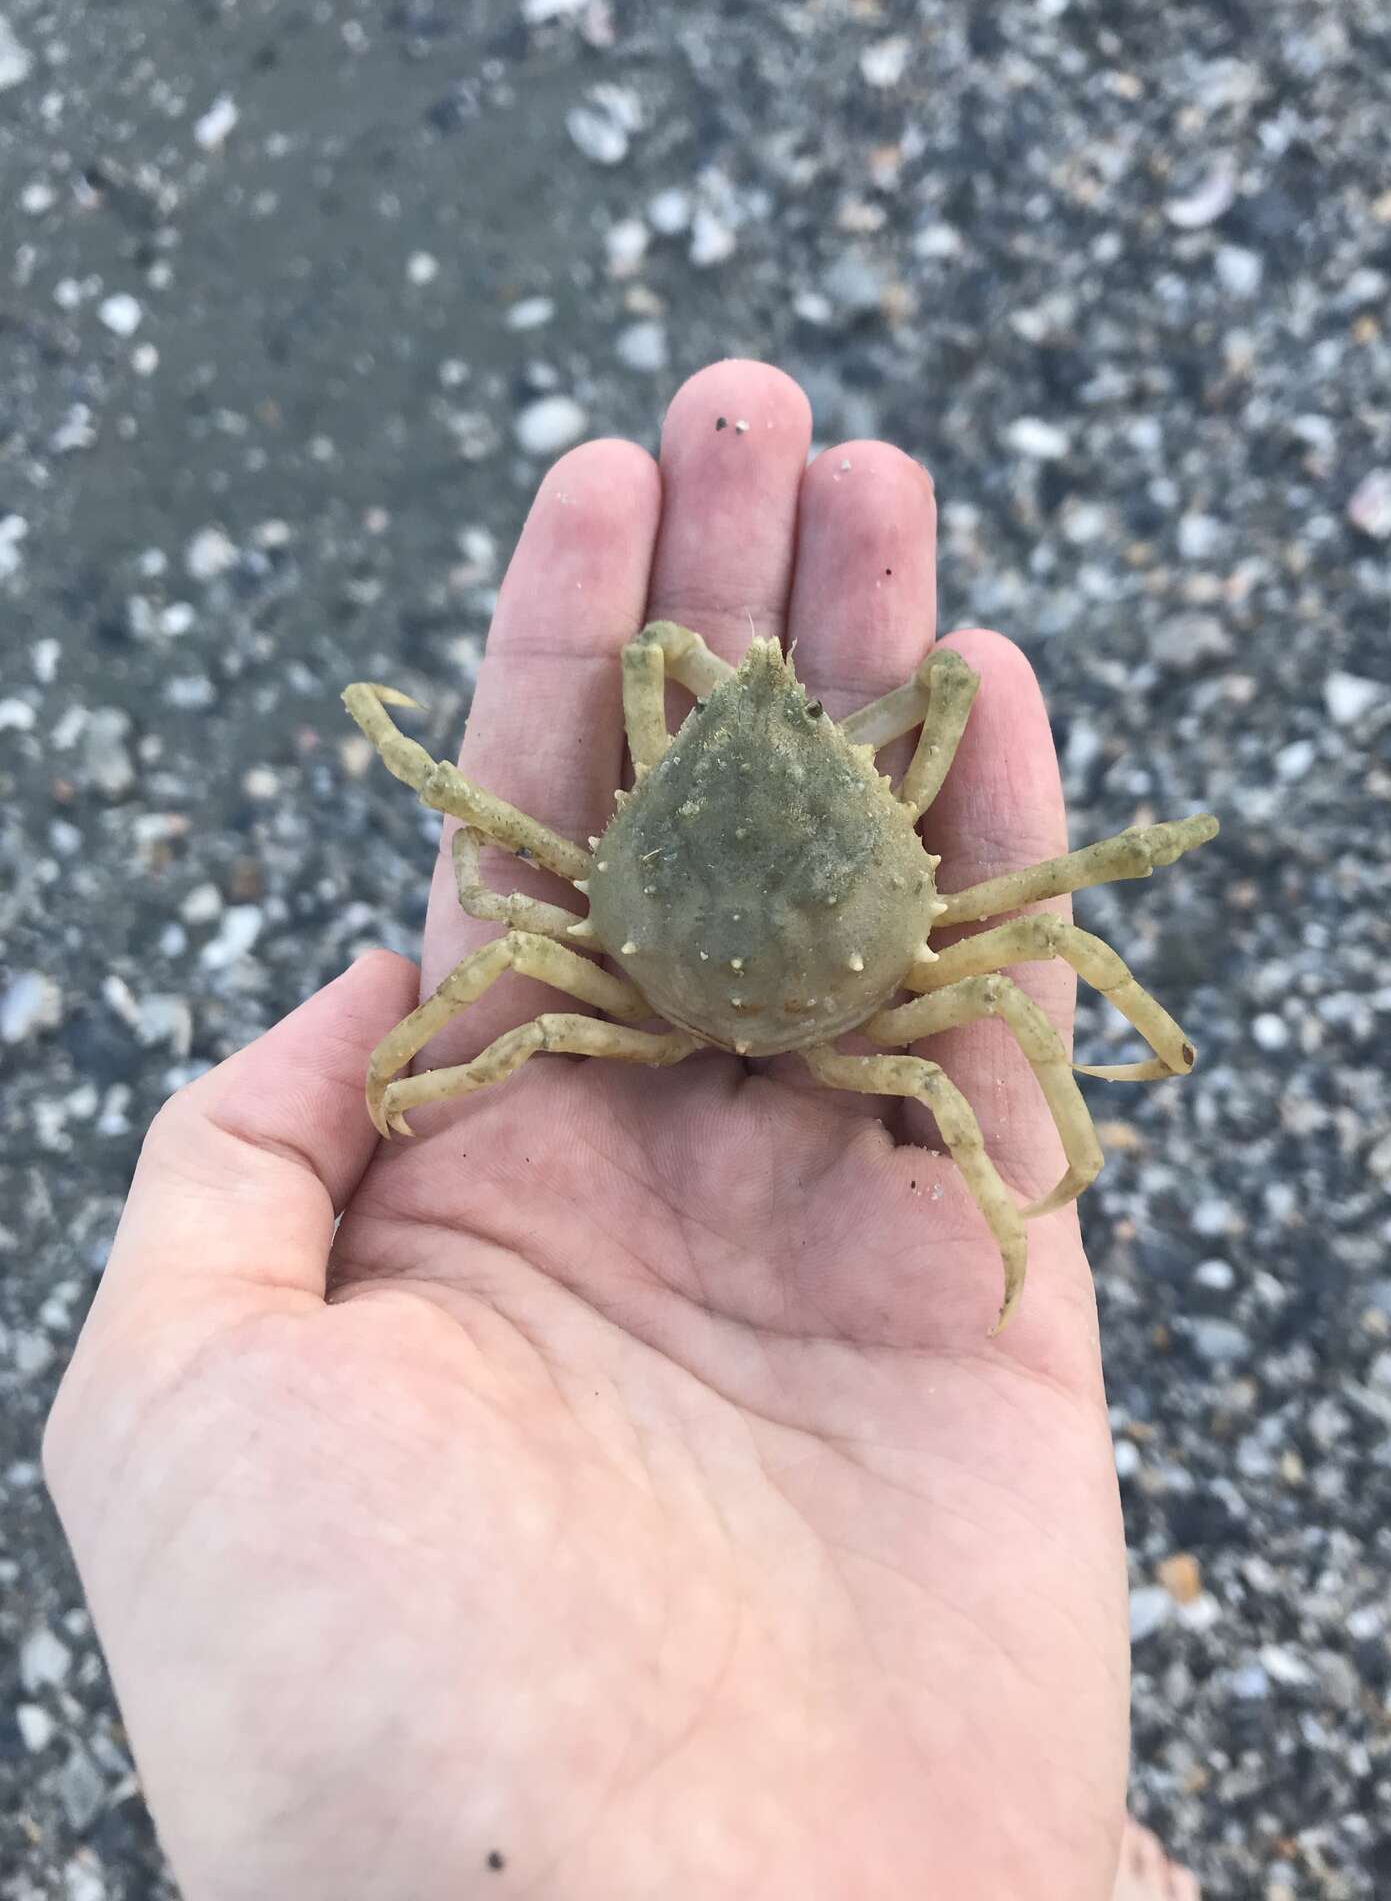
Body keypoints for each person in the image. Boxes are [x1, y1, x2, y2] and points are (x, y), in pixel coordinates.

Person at [44, 362, 1199, 1900]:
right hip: (870, 1022)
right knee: (977, 1052)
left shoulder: (579, 912)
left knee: (522, 985)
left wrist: (414, 1069)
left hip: (629, 993)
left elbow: (504, 861)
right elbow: (1055, 893)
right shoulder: (918, 899)